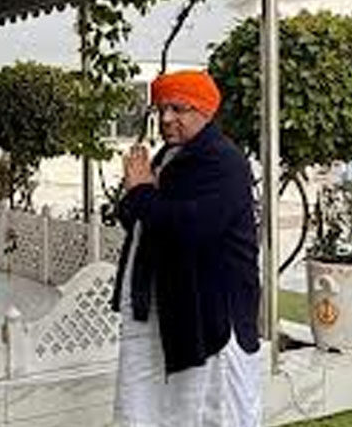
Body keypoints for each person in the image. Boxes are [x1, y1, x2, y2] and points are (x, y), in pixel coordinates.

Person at [111, 69, 262, 427]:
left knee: (212, 408)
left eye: (178, 109)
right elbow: (135, 218)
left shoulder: (222, 161)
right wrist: (138, 194)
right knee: (154, 406)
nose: (166, 119)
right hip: (166, 305)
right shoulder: (170, 156)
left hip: (210, 312)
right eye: (161, 109)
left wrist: (142, 192)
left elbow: (191, 228)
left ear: (205, 111)